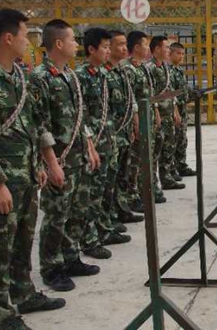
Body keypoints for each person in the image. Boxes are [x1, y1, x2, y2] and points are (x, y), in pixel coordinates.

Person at [0, 9, 65, 330]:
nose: (29, 41)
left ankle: (23, 293)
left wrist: (41, 164)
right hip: (1, 181)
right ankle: (1, 313)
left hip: (26, 176)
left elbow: (34, 124)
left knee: (23, 240)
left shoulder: (20, 77)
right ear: (8, 38)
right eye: (25, 35)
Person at [31, 19, 101, 292]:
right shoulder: (40, 78)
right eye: (72, 40)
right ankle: (51, 268)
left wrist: (90, 147)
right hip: (59, 161)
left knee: (77, 211)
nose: (76, 45)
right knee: (56, 215)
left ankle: (71, 258)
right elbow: (40, 125)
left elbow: (80, 116)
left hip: (78, 157)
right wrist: (51, 164)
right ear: (58, 43)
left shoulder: (70, 76)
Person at [75, 28, 131, 261]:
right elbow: (81, 114)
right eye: (105, 47)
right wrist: (89, 143)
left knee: (106, 189)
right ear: (91, 49)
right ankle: (89, 239)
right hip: (93, 143)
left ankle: (104, 228)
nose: (108, 51)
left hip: (109, 140)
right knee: (91, 194)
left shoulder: (102, 74)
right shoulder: (81, 76)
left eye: (109, 47)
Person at [120, 31, 166, 209]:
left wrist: (156, 112)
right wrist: (136, 121)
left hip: (149, 118)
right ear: (137, 47)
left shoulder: (142, 67)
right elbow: (131, 98)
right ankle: (132, 196)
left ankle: (144, 190)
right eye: (145, 45)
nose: (148, 48)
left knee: (147, 157)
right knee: (135, 159)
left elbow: (150, 93)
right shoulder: (128, 69)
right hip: (138, 121)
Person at [105, 30, 143, 226]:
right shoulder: (104, 73)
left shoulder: (121, 71)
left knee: (122, 174)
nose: (124, 48)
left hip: (124, 132)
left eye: (124, 44)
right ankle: (109, 217)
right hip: (111, 135)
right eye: (119, 44)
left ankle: (122, 209)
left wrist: (135, 121)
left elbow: (131, 99)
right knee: (109, 179)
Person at [145, 36, 186, 191]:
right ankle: (153, 184)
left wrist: (175, 110)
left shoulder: (165, 67)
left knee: (169, 146)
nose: (168, 50)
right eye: (166, 47)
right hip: (158, 115)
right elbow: (150, 92)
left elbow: (170, 91)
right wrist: (155, 111)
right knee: (155, 150)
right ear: (157, 49)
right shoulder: (149, 68)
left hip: (168, 112)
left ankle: (167, 177)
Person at [169, 43, 195, 178]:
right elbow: (171, 93)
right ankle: (171, 169)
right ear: (170, 54)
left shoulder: (179, 70)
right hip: (174, 111)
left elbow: (183, 90)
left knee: (182, 140)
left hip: (182, 109)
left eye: (183, 54)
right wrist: (175, 111)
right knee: (172, 141)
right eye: (178, 53)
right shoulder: (169, 71)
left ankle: (181, 165)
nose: (181, 56)